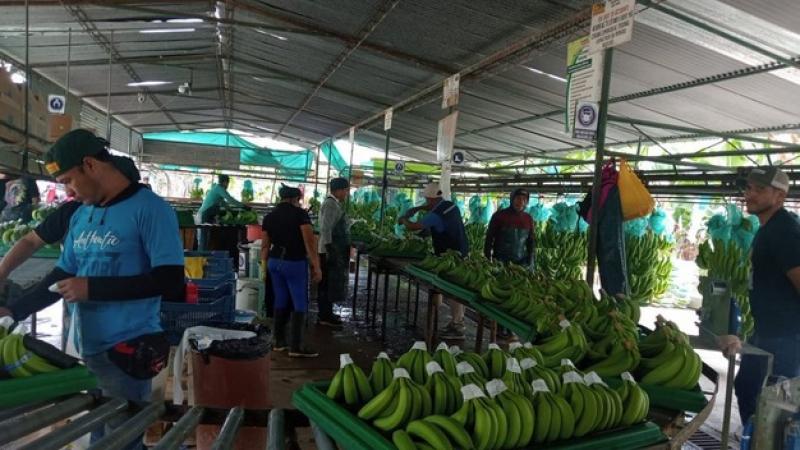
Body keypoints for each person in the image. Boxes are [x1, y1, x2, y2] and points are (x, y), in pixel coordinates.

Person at [0, 129, 185, 450]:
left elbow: (170, 281)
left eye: (69, 180)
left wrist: (93, 288)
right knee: (101, 433)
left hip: (129, 349)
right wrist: (14, 310)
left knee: (122, 438)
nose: (68, 191)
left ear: (90, 165)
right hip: (89, 350)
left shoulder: (151, 209)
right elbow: (62, 276)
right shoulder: (82, 215)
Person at [717, 166, 800, 424]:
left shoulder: (784, 231)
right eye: (749, 188)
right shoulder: (768, 229)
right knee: (748, 389)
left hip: (787, 338)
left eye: (760, 189)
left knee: (778, 409)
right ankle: (754, 439)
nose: (750, 194)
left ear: (780, 196)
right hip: (766, 333)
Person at [399, 182, 469, 339]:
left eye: (426, 200)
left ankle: (458, 327)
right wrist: (418, 208)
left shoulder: (435, 215)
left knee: (453, 290)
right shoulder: (450, 205)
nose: (426, 203)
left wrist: (404, 220)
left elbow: (414, 226)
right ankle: (457, 321)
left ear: (430, 199)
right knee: (456, 288)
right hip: (461, 251)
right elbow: (433, 208)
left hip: (451, 256)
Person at [262, 184, 323, 357]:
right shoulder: (300, 215)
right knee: (299, 300)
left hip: (274, 262)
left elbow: (265, 246)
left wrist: (263, 267)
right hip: (294, 263)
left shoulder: (269, 217)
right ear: (295, 199)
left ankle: (278, 341)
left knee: (280, 298)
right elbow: (309, 243)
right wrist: (316, 266)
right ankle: (296, 346)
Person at [317, 177, 351, 327]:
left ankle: (327, 313)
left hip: (329, 249)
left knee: (329, 284)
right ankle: (324, 316)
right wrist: (330, 250)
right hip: (327, 251)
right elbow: (325, 228)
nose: (346, 194)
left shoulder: (333, 203)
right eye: (345, 191)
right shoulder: (330, 204)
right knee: (325, 284)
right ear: (338, 190)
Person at [484, 188, 535, 267]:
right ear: (512, 199)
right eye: (518, 198)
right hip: (500, 262)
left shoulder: (528, 218)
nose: (521, 202)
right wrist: (487, 259)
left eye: (524, 199)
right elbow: (489, 239)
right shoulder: (499, 216)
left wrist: (531, 260)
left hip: (520, 264)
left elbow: (530, 241)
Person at [197, 174, 247, 250]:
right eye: (227, 183)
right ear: (225, 182)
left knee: (207, 237)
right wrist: (243, 206)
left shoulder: (217, 188)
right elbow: (230, 199)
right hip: (204, 214)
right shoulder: (219, 188)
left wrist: (230, 210)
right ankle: (202, 254)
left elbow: (223, 202)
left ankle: (205, 254)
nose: (227, 185)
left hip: (207, 214)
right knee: (204, 237)